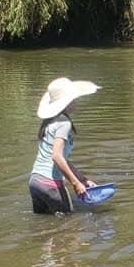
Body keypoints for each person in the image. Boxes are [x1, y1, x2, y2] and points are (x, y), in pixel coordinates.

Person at [29, 77, 101, 214]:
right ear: (66, 103)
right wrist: (76, 183)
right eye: (73, 99)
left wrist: (83, 179)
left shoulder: (50, 121)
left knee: (43, 224)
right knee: (70, 226)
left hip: (35, 181)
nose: (75, 102)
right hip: (50, 183)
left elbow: (62, 158)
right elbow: (56, 157)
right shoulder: (64, 123)